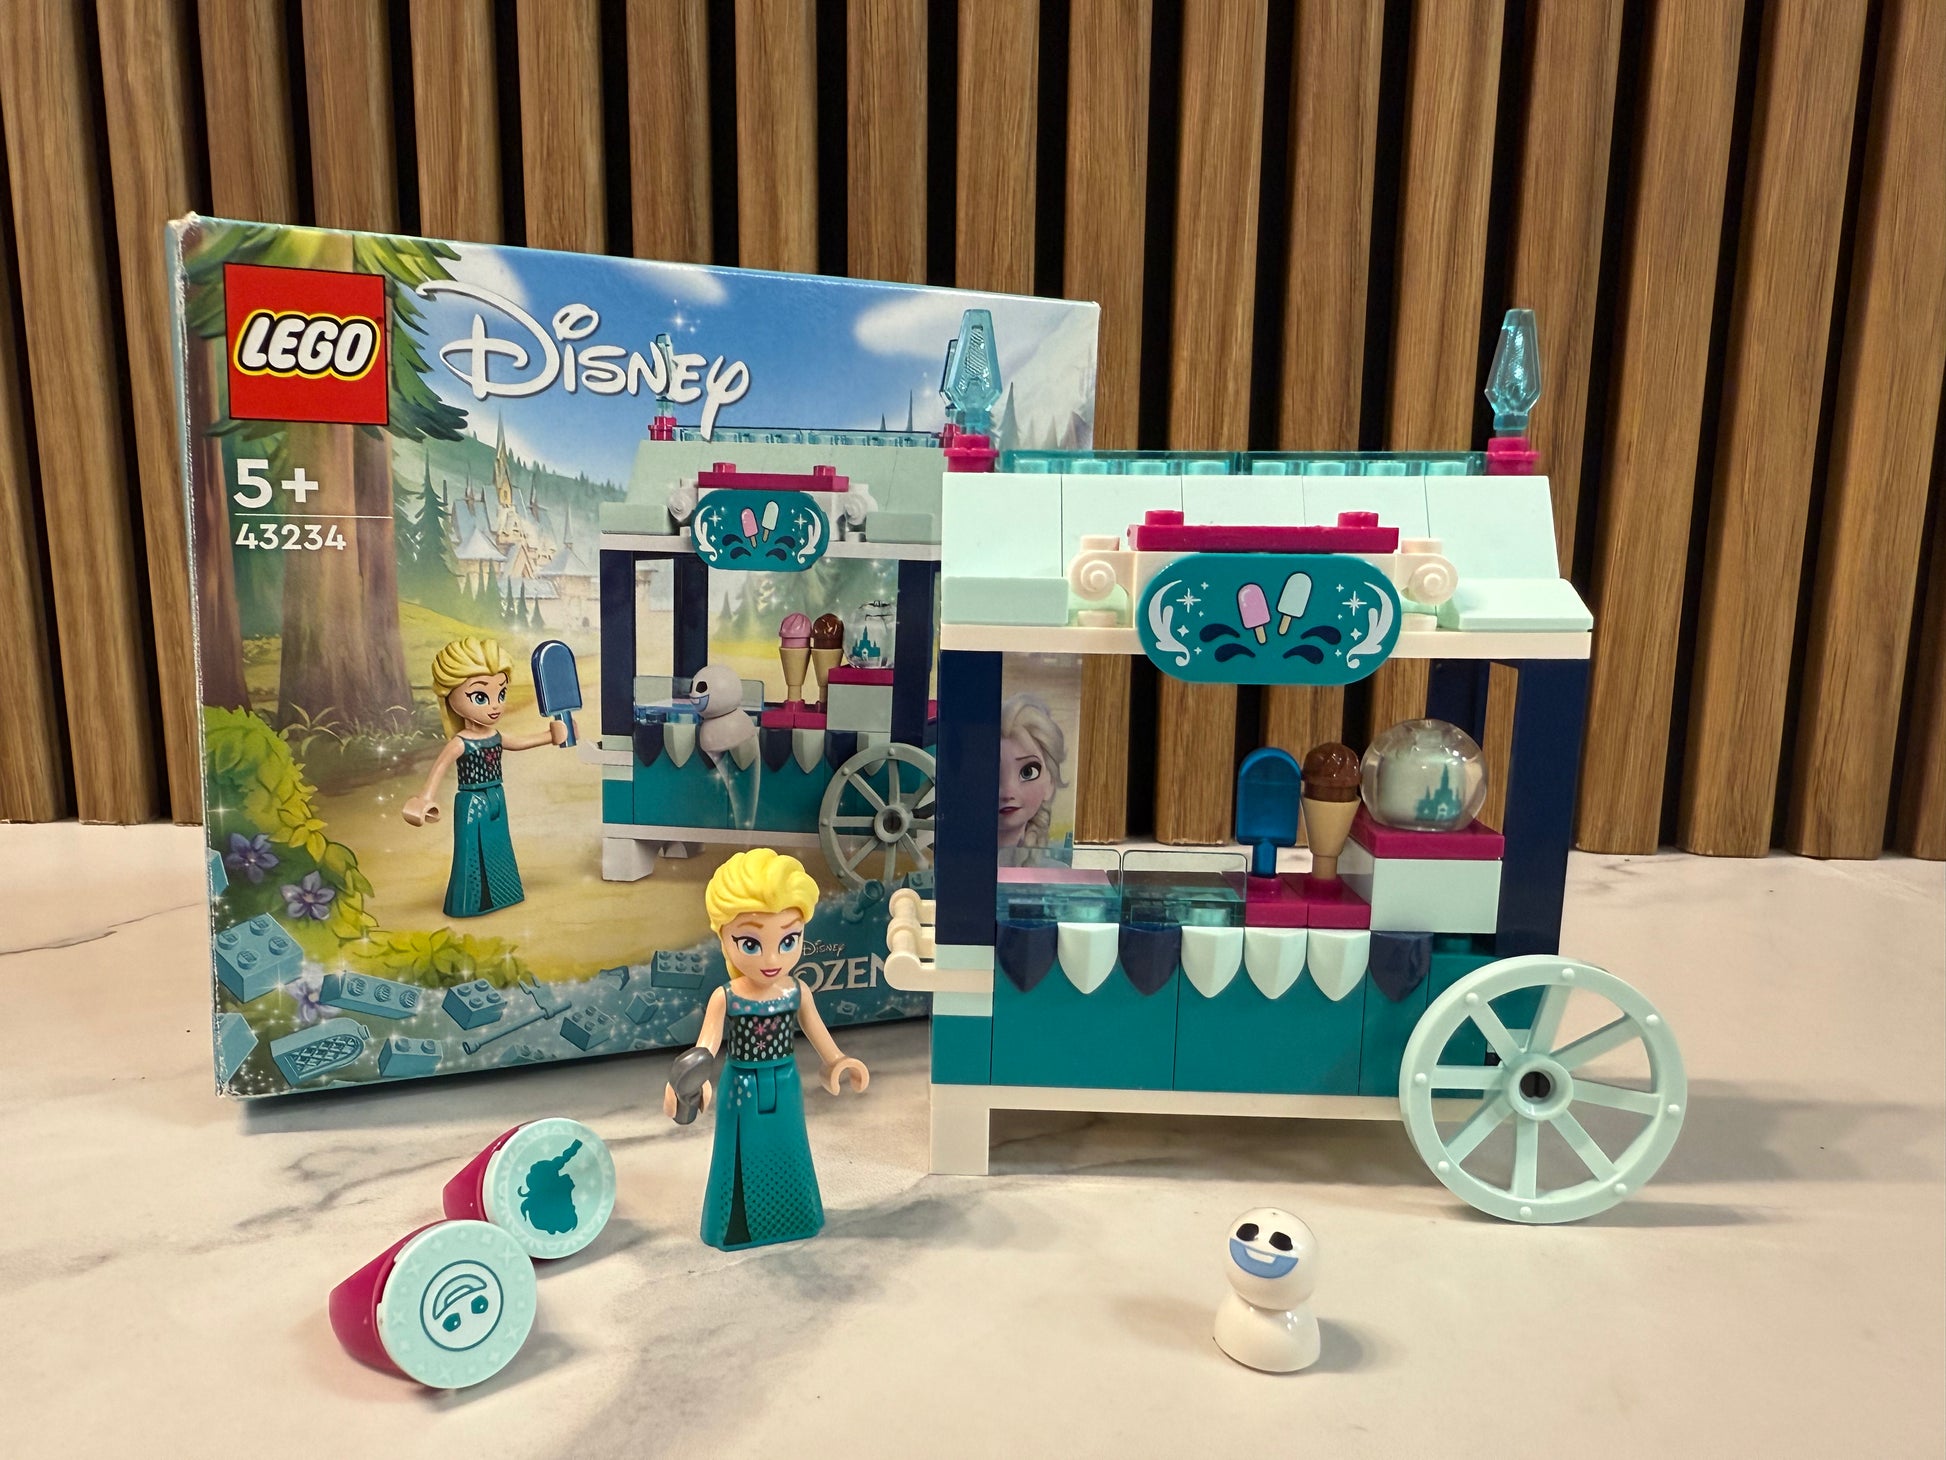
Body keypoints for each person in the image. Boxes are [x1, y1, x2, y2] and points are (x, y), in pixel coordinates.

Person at [665, 849, 869, 1250]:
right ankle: (737, 1227)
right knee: (739, 1154)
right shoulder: (727, 996)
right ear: (724, 938)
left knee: (790, 1149)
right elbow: (705, 1048)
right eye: (751, 943)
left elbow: (817, 1032)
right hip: (740, 1086)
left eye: (789, 939)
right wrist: (689, 1085)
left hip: (786, 1082)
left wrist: (838, 1061)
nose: (773, 958)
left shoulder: (796, 991)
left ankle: (794, 1216)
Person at [403, 637, 565, 919]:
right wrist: (425, 798)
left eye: (500, 694)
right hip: (472, 801)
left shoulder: (495, 735)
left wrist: (550, 735)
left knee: (499, 847)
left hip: (497, 797)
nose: (495, 706)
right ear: (450, 697)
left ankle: (504, 894)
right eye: (480, 697)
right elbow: (439, 768)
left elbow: (519, 742)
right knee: (471, 854)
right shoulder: (460, 742)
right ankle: (469, 903)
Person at [998, 692, 1070, 854]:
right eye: (993, 774)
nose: (1008, 793)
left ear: (1051, 782)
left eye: (1028, 772)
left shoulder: (1054, 866)